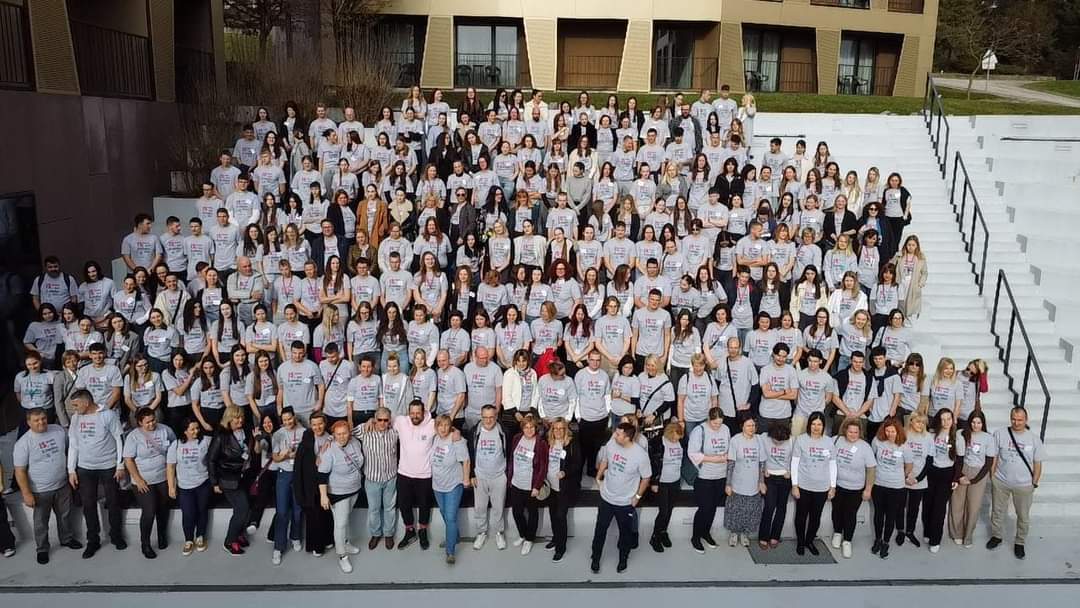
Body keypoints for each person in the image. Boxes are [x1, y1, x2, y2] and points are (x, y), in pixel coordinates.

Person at [13, 408, 81, 564]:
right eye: (36, 420)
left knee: (64, 516)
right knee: (41, 522)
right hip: (40, 490)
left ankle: (66, 539)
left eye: (43, 418)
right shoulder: (23, 443)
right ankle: (42, 549)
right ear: (28, 422)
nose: (41, 422)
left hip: (62, 485)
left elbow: (70, 449)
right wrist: (26, 494)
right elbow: (20, 471)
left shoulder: (58, 430)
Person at [66, 389, 126, 558]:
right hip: (85, 468)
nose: (74, 409)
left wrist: (120, 465)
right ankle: (93, 540)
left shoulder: (108, 415)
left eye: (76, 405)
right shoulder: (76, 418)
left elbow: (119, 439)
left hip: (108, 466)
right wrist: (71, 470)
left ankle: (116, 536)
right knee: (88, 504)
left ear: (86, 403)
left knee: (113, 502)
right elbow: (73, 444)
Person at [590, 421, 651, 574]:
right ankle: (595, 558)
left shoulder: (640, 455)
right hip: (606, 498)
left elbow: (646, 478)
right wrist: (598, 477)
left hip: (625, 503)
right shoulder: (611, 444)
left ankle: (623, 558)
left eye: (618, 434)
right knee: (600, 530)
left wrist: (637, 496)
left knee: (625, 533)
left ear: (627, 438)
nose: (614, 435)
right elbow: (605, 460)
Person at [987, 406, 1044, 559]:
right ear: (1010, 418)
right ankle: (996, 536)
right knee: (997, 511)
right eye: (1013, 419)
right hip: (1001, 481)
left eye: (1020, 420)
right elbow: (994, 456)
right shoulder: (1000, 434)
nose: (1016, 422)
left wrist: (1034, 482)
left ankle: (1020, 542)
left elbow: (1038, 463)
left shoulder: (1034, 439)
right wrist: (993, 476)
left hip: (1024, 485)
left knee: (1023, 516)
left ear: (1026, 420)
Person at [123, 407, 176, 559]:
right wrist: (138, 480)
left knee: (163, 509)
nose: (152, 424)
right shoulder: (133, 436)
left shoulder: (165, 430)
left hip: (163, 477)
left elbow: (173, 446)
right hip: (144, 480)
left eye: (153, 420)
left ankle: (162, 536)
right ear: (140, 423)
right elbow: (128, 460)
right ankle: (145, 543)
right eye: (147, 422)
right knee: (149, 511)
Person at [208, 406, 254, 555]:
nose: (240, 420)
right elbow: (211, 460)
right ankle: (229, 541)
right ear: (229, 419)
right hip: (228, 479)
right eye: (236, 417)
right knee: (242, 509)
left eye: (241, 417)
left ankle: (238, 534)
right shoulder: (221, 436)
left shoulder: (245, 431)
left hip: (243, 476)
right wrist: (214, 483)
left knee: (243, 509)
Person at [791, 411, 836, 556]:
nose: (816, 427)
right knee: (801, 516)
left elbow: (832, 464)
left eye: (819, 424)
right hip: (803, 486)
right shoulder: (801, 440)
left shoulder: (829, 442)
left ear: (823, 426)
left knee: (815, 517)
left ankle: (809, 541)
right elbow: (794, 463)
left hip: (822, 487)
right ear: (809, 425)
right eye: (813, 424)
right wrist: (794, 485)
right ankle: (800, 542)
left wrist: (833, 486)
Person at [166, 418, 212, 556]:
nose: (196, 431)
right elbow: (170, 467)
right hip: (184, 486)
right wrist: (171, 486)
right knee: (188, 513)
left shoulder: (206, 441)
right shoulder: (176, 444)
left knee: (202, 510)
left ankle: (200, 536)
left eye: (197, 428)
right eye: (192, 429)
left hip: (203, 483)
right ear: (185, 431)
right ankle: (188, 539)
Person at [831, 417, 876, 558]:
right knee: (836, 511)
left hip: (856, 488)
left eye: (856, 432)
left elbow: (871, 469)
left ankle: (847, 541)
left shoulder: (865, 447)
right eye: (850, 432)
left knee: (850, 514)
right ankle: (837, 533)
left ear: (860, 432)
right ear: (845, 430)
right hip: (838, 485)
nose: (853, 435)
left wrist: (868, 489)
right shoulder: (835, 440)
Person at [394, 399, 436, 550]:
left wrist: (455, 433)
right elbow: (382, 421)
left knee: (424, 505)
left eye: (418, 413)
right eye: (412, 413)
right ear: (408, 413)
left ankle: (422, 531)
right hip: (404, 473)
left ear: (424, 412)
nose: (415, 416)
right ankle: (410, 531)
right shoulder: (400, 421)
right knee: (404, 504)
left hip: (424, 474)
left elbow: (448, 429)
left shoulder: (433, 424)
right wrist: (371, 420)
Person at [688, 406, 730, 553]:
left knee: (712, 507)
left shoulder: (725, 429)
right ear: (708, 419)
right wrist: (713, 459)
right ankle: (695, 537)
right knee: (704, 508)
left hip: (721, 475)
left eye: (720, 423)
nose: (717, 426)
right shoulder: (699, 430)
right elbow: (692, 453)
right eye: (715, 423)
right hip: (705, 476)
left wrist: (726, 457)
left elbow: (729, 448)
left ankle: (706, 533)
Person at [430, 414, 471, 564]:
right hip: (437, 485)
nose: (443, 428)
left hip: (453, 484)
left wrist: (466, 479)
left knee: (451, 517)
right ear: (436, 427)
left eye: (447, 425)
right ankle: (455, 537)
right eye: (440, 425)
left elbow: (466, 461)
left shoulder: (456, 439)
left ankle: (450, 551)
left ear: (451, 426)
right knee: (444, 513)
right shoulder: (435, 439)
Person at [950, 410, 994, 547]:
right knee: (957, 504)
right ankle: (957, 533)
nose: (976, 425)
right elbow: (958, 457)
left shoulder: (988, 438)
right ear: (969, 422)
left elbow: (989, 463)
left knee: (973, 507)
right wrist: (960, 476)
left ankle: (968, 536)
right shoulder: (961, 434)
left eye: (979, 422)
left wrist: (973, 480)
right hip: (963, 469)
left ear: (983, 423)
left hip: (978, 473)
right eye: (973, 422)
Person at [870, 416, 911, 559]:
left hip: (896, 486)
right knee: (878, 514)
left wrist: (901, 476)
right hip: (879, 484)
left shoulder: (904, 446)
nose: (890, 434)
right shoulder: (877, 441)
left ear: (898, 431)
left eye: (893, 431)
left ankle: (886, 542)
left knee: (891, 515)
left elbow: (909, 465)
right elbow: (872, 459)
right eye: (887, 431)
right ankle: (878, 539)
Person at [507, 414, 548, 555]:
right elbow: (511, 459)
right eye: (526, 427)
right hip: (516, 483)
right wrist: (510, 478)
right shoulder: (516, 438)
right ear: (522, 428)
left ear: (536, 428)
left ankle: (529, 539)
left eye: (532, 427)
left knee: (532, 513)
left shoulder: (541, 443)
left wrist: (537, 486)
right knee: (517, 512)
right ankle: (523, 534)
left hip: (531, 485)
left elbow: (543, 467)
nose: (529, 430)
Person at [293, 412, 333, 556]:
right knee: (314, 516)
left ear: (325, 423)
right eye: (314, 424)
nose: (317, 427)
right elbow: (298, 466)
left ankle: (328, 539)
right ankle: (316, 546)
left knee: (326, 514)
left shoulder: (330, 437)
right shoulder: (307, 438)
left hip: (327, 482)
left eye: (320, 423)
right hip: (310, 485)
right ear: (310, 425)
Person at [469, 404, 508, 552]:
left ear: (496, 417)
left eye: (491, 417)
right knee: (480, 507)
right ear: (481, 417)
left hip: (499, 476)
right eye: (485, 417)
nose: (488, 420)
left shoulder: (503, 431)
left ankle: (499, 533)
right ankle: (481, 533)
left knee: (498, 508)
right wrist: (472, 474)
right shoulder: (474, 432)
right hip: (480, 476)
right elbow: (470, 453)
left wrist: (507, 474)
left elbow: (509, 452)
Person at [924, 408, 963, 553]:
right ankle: (928, 531)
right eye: (942, 419)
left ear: (953, 420)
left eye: (948, 419)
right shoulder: (932, 434)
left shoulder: (957, 437)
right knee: (928, 505)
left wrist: (956, 478)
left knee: (939, 508)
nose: (946, 422)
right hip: (932, 472)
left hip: (947, 474)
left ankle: (935, 540)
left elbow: (959, 460)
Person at [269, 407, 304, 564]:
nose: (287, 422)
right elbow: (275, 458)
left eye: (289, 419)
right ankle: (278, 547)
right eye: (284, 420)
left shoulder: (303, 432)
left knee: (297, 510)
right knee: (282, 512)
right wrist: (285, 455)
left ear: (294, 417)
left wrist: (298, 455)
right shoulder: (278, 434)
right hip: (284, 474)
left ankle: (295, 537)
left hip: (298, 475)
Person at [725, 417, 766, 548]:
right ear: (742, 426)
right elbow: (731, 464)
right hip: (738, 482)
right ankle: (734, 534)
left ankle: (744, 534)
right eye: (748, 426)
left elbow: (762, 463)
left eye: (753, 425)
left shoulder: (759, 440)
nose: (751, 428)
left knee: (750, 510)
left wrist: (761, 481)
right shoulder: (735, 440)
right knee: (735, 509)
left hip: (753, 482)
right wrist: (728, 484)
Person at [545, 416, 582, 561]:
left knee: (560, 516)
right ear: (552, 430)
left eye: (561, 428)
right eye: (556, 428)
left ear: (566, 430)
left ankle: (561, 547)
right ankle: (556, 538)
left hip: (564, 488)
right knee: (553, 515)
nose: (558, 431)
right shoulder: (549, 442)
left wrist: (565, 472)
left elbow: (577, 464)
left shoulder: (571, 444)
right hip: (550, 486)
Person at [898, 411, 932, 548]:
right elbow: (897, 455)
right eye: (918, 421)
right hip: (902, 477)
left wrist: (918, 479)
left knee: (914, 507)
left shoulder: (928, 437)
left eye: (923, 422)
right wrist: (905, 476)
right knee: (900, 506)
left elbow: (929, 460)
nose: (921, 425)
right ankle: (900, 530)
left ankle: (910, 532)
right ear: (911, 421)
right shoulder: (903, 434)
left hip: (919, 479)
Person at [758, 420, 793, 549]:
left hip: (785, 477)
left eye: (781, 441)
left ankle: (775, 536)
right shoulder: (763, 437)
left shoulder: (792, 440)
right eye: (775, 441)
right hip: (770, 477)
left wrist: (790, 471)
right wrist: (763, 471)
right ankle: (763, 536)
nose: (778, 443)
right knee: (769, 506)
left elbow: (796, 458)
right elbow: (758, 453)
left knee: (781, 507)